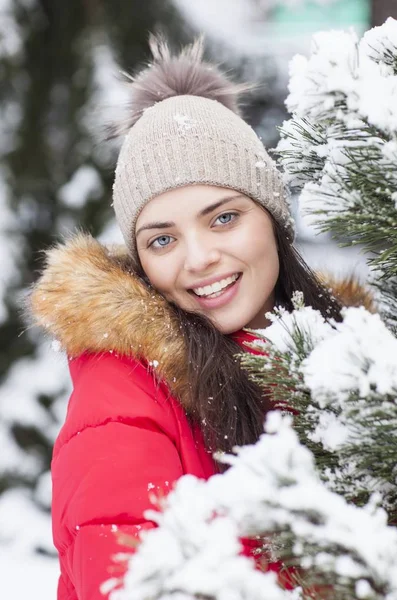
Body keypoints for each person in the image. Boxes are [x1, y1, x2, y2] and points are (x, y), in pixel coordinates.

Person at [30, 36, 343, 600]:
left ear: (273, 219)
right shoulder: (122, 395)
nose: (198, 259)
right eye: (163, 238)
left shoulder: (345, 360)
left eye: (223, 218)